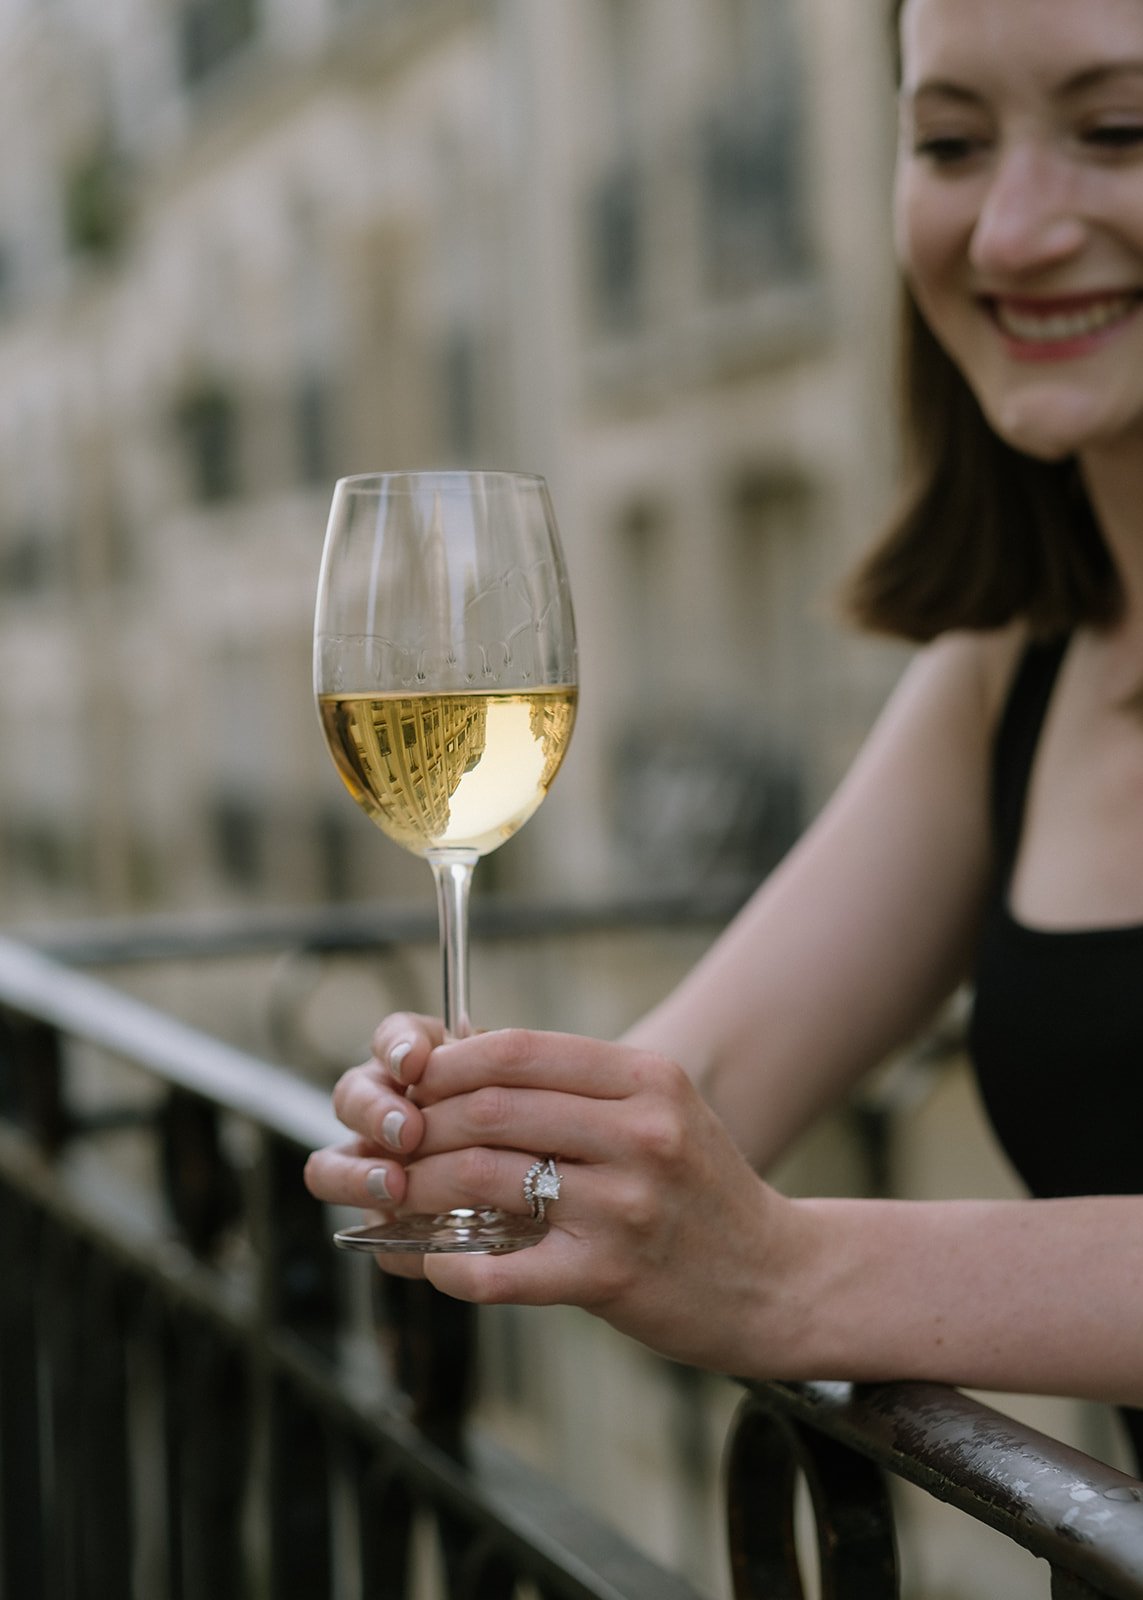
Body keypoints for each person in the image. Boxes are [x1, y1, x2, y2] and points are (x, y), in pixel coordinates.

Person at [304, 0, 1143, 1444]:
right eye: (947, 140)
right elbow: (711, 1082)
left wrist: (792, 1274)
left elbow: (754, 1247)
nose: (1008, 232)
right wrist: (496, 1141)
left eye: (1119, 130)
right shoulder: (1016, 672)